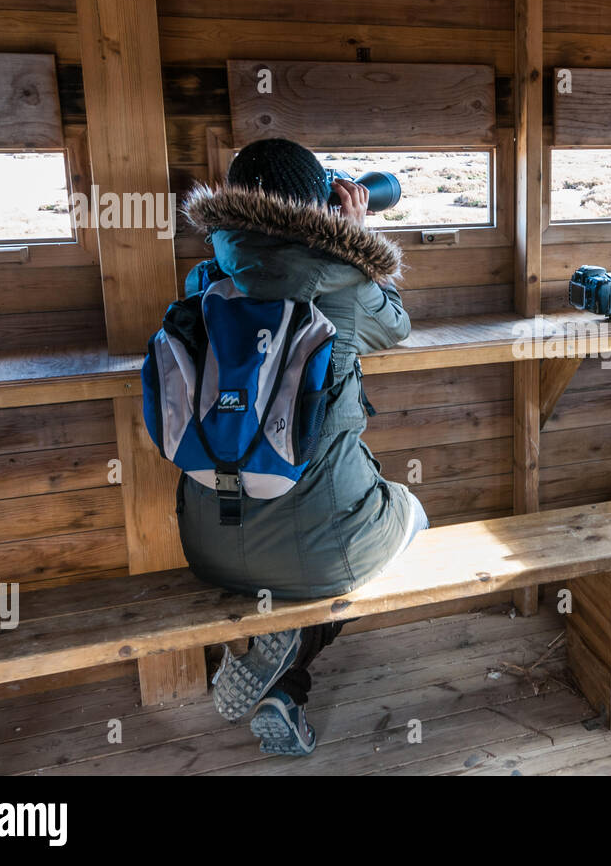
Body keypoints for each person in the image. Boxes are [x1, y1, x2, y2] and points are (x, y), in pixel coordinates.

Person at [177, 138, 428, 756]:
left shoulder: (205, 276)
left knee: (315, 534)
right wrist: (355, 236)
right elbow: (395, 325)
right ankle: (293, 650)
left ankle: (286, 685)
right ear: (318, 202)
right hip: (319, 551)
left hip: (205, 540)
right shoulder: (340, 283)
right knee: (413, 516)